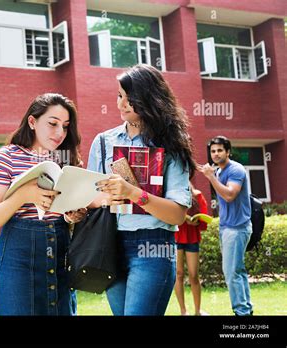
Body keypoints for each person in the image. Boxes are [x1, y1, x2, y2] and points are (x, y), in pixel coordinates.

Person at [92, 64, 195, 316]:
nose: (121, 105)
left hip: (153, 247)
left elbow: (177, 215)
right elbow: (91, 197)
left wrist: (133, 192)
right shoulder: (104, 142)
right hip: (110, 244)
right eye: (119, 96)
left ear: (150, 98)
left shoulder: (171, 145)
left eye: (130, 98)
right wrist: (85, 204)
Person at [0, 93, 86, 315]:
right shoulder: (7, 156)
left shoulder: (64, 160)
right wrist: (23, 195)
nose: (60, 133)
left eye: (65, 126)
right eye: (52, 124)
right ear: (32, 121)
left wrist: (72, 215)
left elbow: (63, 212)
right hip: (18, 255)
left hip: (59, 249)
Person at [198, 136, 253, 316]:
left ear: (228, 151)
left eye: (220, 150)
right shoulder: (220, 172)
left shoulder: (236, 169)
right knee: (237, 270)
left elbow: (229, 195)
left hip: (237, 228)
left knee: (231, 272)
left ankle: (241, 312)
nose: (216, 154)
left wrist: (211, 177)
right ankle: (246, 309)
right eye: (213, 151)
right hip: (227, 227)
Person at [174, 182, 208, 316]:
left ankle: (198, 311)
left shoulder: (197, 195)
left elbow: (204, 217)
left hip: (192, 236)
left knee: (194, 275)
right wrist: (185, 218)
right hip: (176, 236)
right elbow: (169, 214)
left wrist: (197, 220)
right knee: (179, 274)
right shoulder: (173, 194)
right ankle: (183, 311)